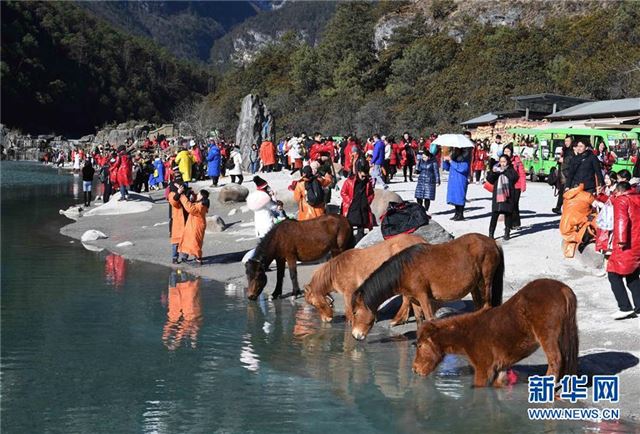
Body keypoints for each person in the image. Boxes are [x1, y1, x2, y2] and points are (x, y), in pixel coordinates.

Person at [606, 182, 640, 319]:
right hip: (637, 242)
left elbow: (622, 220)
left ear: (619, 192)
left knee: (613, 274)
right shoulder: (636, 198)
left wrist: (620, 240)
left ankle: (624, 306)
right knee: (632, 275)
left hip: (626, 243)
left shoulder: (622, 200)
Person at [340, 159, 375, 243]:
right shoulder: (349, 181)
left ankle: (359, 244)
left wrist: (367, 201)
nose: (364, 177)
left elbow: (371, 193)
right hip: (352, 208)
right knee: (349, 228)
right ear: (358, 172)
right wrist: (349, 201)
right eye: (363, 175)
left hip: (363, 208)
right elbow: (343, 192)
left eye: (365, 176)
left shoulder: (367, 182)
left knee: (361, 228)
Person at [486, 155, 519, 240]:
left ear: (507, 162)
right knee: (494, 215)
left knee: (508, 214)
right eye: (501, 161)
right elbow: (490, 179)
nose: (502, 163)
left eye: (504, 161)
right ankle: (491, 234)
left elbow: (514, 178)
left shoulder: (511, 170)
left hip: (508, 195)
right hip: (497, 195)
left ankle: (507, 232)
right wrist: (493, 172)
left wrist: (504, 171)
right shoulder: (496, 169)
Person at [177, 187, 210, 265]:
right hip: (194, 225)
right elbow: (194, 202)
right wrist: (190, 193)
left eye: (198, 194)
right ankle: (188, 257)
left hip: (196, 226)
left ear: (201, 196)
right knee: (190, 241)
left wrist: (182, 196)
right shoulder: (201, 203)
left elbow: (190, 208)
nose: (197, 195)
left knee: (194, 242)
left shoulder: (200, 206)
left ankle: (198, 258)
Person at [502, 145, 526, 229]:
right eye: (505, 151)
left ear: (511, 152)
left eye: (508, 151)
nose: (506, 153)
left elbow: (522, 173)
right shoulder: (502, 160)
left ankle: (516, 223)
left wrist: (523, 185)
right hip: (505, 185)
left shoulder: (516, 160)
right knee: (506, 205)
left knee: (514, 204)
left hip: (516, 186)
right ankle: (508, 224)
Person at [167, 175, 188, 264]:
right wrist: (178, 193)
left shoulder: (186, 190)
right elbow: (174, 201)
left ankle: (184, 257)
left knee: (186, 239)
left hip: (186, 218)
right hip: (176, 220)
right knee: (176, 241)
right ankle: (175, 257)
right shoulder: (172, 193)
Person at [446, 147, 471, 221]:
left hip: (460, 180)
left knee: (460, 196)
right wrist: (446, 161)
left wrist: (451, 161)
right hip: (453, 180)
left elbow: (463, 168)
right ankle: (456, 213)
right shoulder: (454, 157)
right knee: (455, 197)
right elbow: (447, 168)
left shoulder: (465, 158)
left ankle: (461, 214)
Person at [552, 136, 575, 214]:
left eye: (568, 141)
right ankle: (559, 207)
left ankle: (562, 207)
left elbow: (571, 161)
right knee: (561, 191)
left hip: (568, 174)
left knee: (565, 191)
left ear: (571, 141)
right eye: (565, 141)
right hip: (562, 173)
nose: (566, 143)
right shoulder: (564, 149)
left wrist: (563, 160)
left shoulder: (572, 150)